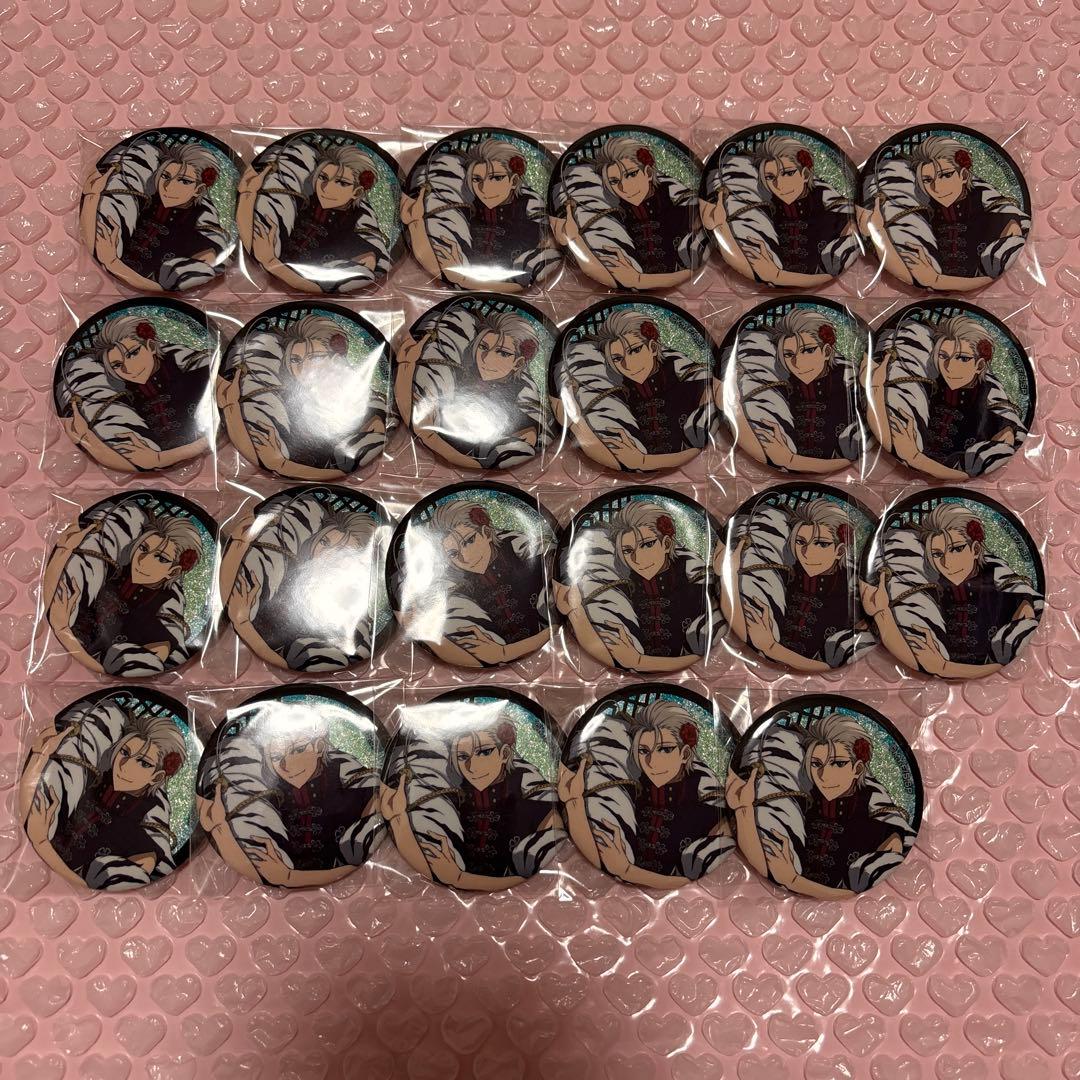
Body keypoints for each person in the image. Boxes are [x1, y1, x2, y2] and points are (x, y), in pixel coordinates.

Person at [728, 711, 911, 898]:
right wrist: (744, 809)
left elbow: (856, 897)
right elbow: (763, 866)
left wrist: (794, 881)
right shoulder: (801, 810)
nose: (824, 775)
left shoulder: (883, 831)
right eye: (816, 764)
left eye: (838, 764)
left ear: (857, 768)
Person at [560, 699, 728, 888]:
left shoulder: (710, 812)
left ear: (685, 754)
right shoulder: (627, 798)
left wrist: (627, 871)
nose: (652, 762)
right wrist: (573, 801)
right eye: (643, 751)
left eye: (665, 749)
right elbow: (596, 856)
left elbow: (696, 884)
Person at [861, 502, 1038, 679]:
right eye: (937, 554)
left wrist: (944, 667)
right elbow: (913, 658)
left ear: (976, 549)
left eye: (957, 549)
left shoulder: (1012, 597)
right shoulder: (927, 593)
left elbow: (1000, 665)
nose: (947, 563)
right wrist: (882, 612)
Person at [199, 716, 378, 888]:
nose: (286, 765)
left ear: (319, 746)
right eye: (276, 757)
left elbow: (356, 865)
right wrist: (220, 828)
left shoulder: (352, 783)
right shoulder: (267, 796)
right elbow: (255, 869)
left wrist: (289, 878)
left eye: (298, 750)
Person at [381, 720, 561, 890]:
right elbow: (427, 866)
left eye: (485, 752)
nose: (472, 766)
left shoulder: (535, 803)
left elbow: (532, 882)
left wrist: (459, 879)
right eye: (462, 756)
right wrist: (398, 817)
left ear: (505, 754)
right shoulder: (450, 801)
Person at [21, 708, 188, 889]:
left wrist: (41, 842)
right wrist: (39, 756)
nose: (124, 765)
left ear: (156, 777)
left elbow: (89, 891)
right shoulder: (89, 779)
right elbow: (30, 794)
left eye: (143, 763)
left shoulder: (143, 848)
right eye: (124, 752)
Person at [217, 312, 387, 479]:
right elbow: (258, 449)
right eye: (295, 360)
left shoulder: (368, 408)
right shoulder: (288, 405)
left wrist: (281, 465)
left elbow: (341, 471)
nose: (303, 368)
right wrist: (231, 406)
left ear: (336, 359)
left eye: (315, 358)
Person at [557, 500, 720, 672]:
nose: (638, 559)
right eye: (627, 551)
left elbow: (701, 653)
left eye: (647, 544)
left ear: (666, 544)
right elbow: (602, 649)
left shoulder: (699, 585)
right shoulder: (618, 589)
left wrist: (639, 662)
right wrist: (576, 612)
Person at [224, 504, 382, 671]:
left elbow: (295, 666)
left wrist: (242, 624)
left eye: (341, 552)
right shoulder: (289, 573)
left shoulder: (353, 619)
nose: (326, 555)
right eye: (324, 542)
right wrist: (238, 545)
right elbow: (226, 594)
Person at [46, 512, 205, 675]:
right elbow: (52, 586)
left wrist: (61, 628)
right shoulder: (110, 569)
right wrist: (64, 551)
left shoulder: (158, 630)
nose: (142, 561)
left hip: (72, 663)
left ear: (173, 571)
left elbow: (111, 672)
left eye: (160, 558)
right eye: (143, 548)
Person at [861, 134, 1028, 289]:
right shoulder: (923, 221)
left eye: (946, 175)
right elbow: (906, 273)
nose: (937, 187)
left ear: (963, 175)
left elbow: (990, 277)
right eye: (927, 180)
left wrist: (936, 281)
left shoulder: (1001, 220)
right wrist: (879, 230)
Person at [399, 498, 550, 668]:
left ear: (486, 533)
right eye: (453, 553)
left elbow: (560, 619)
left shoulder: (527, 552)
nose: (465, 557)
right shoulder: (450, 587)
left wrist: (505, 653)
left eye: (469, 541)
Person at [872, 314, 1021, 481]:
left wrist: (914, 458)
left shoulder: (994, 409)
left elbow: (967, 472)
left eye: (963, 358)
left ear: (979, 365)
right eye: (943, 356)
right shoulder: (927, 384)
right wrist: (876, 386)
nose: (949, 367)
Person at [57, 312, 212, 472]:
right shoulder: (120, 395)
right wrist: (86, 436)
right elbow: (125, 460)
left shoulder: (197, 373)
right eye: (117, 365)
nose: (129, 369)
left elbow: (213, 435)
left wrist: (159, 459)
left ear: (151, 346)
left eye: (133, 353)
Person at [725, 498, 863, 673]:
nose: (807, 553)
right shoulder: (783, 573)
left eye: (821, 544)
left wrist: (771, 648)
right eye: (800, 542)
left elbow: (830, 666)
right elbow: (740, 624)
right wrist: (730, 574)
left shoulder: (853, 592)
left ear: (840, 551)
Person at [395, 308, 544, 469]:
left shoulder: (522, 424)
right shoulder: (457, 379)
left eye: (502, 353)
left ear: (518, 363)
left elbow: (480, 464)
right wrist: (406, 364)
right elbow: (409, 409)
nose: (486, 358)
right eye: (483, 347)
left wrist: (428, 435)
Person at [568, 308, 712, 472]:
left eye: (635, 350)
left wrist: (643, 462)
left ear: (653, 347)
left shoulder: (695, 384)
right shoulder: (616, 396)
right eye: (617, 358)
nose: (628, 365)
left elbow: (697, 446)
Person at [401, 138, 553, 293]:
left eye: (496, 178)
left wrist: (464, 280)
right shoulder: (462, 223)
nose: (485, 188)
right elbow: (438, 269)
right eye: (477, 179)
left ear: (513, 181)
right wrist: (415, 223)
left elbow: (522, 283)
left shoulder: (534, 228)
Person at [701, 135, 855, 286]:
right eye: (769, 177)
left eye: (788, 173)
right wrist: (720, 226)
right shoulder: (764, 216)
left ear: (805, 174)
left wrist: (777, 276)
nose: (779, 185)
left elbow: (830, 274)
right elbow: (747, 266)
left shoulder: (837, 216)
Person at [551, 135, 702, 290]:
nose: (624, 187)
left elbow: (691, 271)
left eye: (631, 174)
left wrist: (639, 280)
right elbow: (601, 273)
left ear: (648, 173)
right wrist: (575, 238)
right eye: (614, 181)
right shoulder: (616, 220)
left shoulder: (683, 210)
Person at [239, 141, 391, 293]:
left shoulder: (361, 251)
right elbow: (251, 241)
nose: (326, 188)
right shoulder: (295, 207)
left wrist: (270, 262)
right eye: (323, 177)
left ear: (357, 192)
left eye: (341, 183)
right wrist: (248, 194)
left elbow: (321, 287)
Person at [81, 141, 229, 292]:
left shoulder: (202, 239)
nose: (168, 187)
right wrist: (92, 196)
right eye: (165, 176)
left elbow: (162, 289)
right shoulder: (144, 201)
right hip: (98, 281)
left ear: (199, 189)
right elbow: (93, 241)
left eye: (184, 181)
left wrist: (112, 263)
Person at [730, 309, 856, 473]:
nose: (798, 363)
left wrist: (790, 461)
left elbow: (850, 458)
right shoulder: (780, 387)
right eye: (788, 355)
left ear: (826, 351)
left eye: (808, 350)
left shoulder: (851, 387)